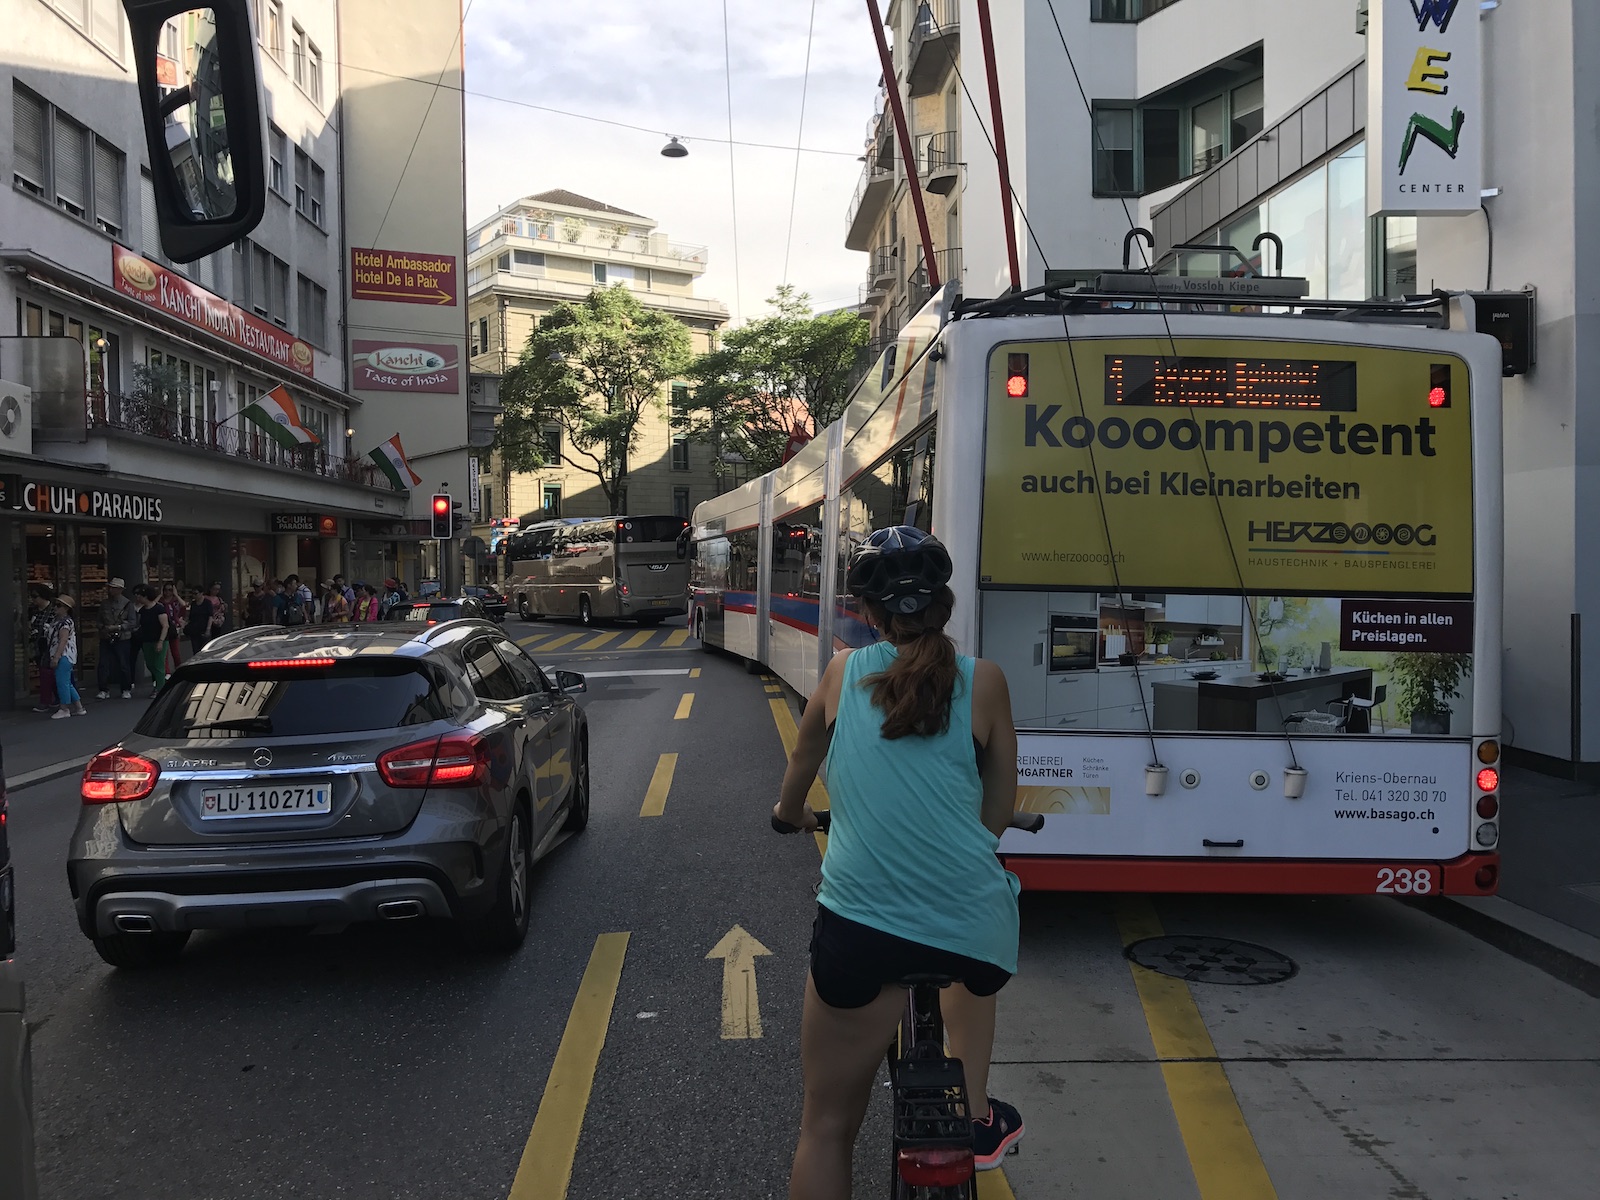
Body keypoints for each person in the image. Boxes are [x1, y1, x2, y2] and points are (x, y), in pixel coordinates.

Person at [772, 526, 1025, 1197]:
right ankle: (972, 1114)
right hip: (975, 927)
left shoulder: (840, 674)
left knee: (825, 1126)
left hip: (860, 931)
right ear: (942, 604)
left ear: (867, 614)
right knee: (970, 942)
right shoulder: (987, 683)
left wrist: (789, 814)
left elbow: (801, 764)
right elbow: (996, 816)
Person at [95, 577, 138, 700]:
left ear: (120, 590)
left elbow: (132, 622)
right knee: (103, 664)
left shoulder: (128, 604)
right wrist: (103, 627)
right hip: (106, 637)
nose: (111, 590)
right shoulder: (104, 604)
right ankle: (103, 689)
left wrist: (118, 627)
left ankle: (126, 688)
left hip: (122, 637)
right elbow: (98, 620)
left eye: (113, 588)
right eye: (110, 587)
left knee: (124, 664)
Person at [49, 595, 86, 719]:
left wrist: (56, 657)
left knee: (62, 683)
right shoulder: (59, 620)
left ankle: (64, 708)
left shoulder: (64, 622)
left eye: (58, 605)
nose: (55, 607)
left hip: (63, 655)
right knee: (67, 683)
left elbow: (63, 640)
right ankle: (79, 707)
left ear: (66, 608)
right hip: (66, 655)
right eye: (56, 604)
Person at [28, 588, 60, 713]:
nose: (33, 599)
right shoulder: (33, 611)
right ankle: (57, 697)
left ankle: (46, 700)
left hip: (49, 645)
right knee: (47, 673)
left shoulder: (53, 611)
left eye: (35, 596)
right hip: (37, 644)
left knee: (46, 673)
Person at [133, 586, 170, 695]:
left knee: (158, 664)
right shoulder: (143, 610)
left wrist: (161, 641)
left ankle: (160, 688)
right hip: (147, 640)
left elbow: (165, 626)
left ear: (145, 596)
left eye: (139, 595)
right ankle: (159, 683)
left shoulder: (159, 609)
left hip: (159, 640)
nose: (137, 598)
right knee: (150, 664)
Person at [158, 582, 187, 673]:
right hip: (163, 628)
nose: (168, 592)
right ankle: (167, 672)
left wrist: (176, 595)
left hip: (174, 628)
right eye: (166, 590)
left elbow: (184, 605)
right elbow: (153, 604)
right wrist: (160, 595)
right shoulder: (161, 602)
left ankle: (179, 670)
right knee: (165, 653)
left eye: (170, 590)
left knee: (175, 652)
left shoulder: (175, 601)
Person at [185, 586, 216, 657]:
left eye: (196, 593)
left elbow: (210, 616)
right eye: (193, 594)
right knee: (195, 650)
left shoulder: (207, 603)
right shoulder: (193, 604)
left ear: (201, 593)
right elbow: (190, 617)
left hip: (203, 629)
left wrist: (208, 629)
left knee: (205, 650)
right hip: (194, 630)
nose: (194, 595)